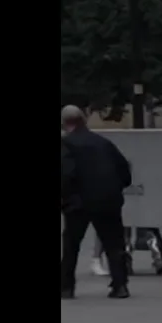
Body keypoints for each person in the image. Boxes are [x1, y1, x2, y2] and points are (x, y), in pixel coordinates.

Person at [60, 105, 133, 299]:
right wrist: (116, 188)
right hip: (108, 200)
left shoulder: (66, 144)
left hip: (79, 202)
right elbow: (124, 170)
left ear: (65, 123)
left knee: (71, 244)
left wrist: (65, 197)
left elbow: (66, 174)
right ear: (83, 120)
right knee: (114, 243)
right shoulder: (104, 143)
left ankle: (66, 287)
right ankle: (120, 285)